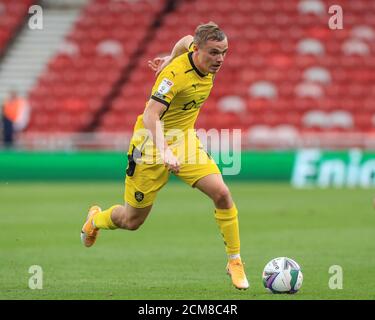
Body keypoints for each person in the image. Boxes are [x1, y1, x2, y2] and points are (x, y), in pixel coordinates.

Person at [80, 22, 249, 290]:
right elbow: (150, 115)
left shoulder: (201, 58)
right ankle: (96, 220)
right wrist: (164, 151)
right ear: (199, 50)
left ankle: (234, 261)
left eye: (224, 52)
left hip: (184, 141)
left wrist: (171, 53)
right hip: (149, 145)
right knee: (131, 221)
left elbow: (184, 39)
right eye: (215, 53)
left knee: (222, 194)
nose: (220, 59)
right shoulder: (173, 76)